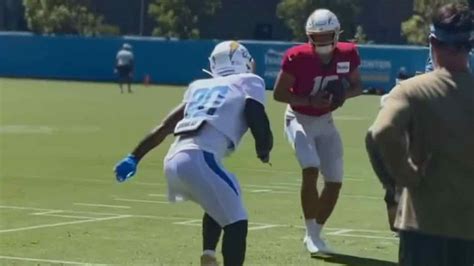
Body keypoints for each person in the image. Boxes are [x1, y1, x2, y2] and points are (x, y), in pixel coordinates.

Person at [114, 41, 273, 266]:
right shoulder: (249, 80)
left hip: (174, 158)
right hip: (200, 158)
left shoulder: (200, 86)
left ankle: (208, 252)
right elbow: (255, 114)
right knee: (236, 221)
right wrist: (264, 148)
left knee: (221, 198)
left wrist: (134, 157)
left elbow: (164, 127)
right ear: (244, 62)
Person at [366, 3, 474, 265]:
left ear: (433, 42)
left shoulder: (411, 91)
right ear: (470, 46)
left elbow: (379, 133)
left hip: (422, 224)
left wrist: (402, 179)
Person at [273, 8, 363, 254]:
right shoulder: (297, 57)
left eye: (326, 36)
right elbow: (279, 94)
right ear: (308, 36)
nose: (322, 41)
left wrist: (341, 96)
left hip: (326, 121)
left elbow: (358, 87)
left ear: (337, 34)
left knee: (334, 181)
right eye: (317, 36)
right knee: (310, 168)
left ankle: (314, 233)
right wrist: (309, 101)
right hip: (298, 118)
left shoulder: (348, 53)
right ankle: (311, 231)